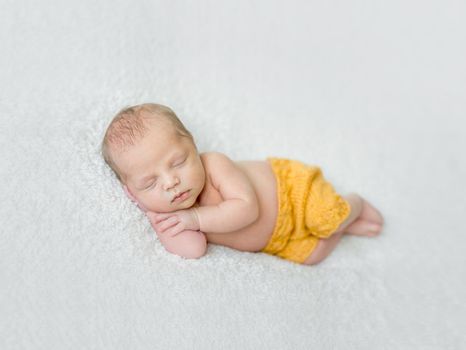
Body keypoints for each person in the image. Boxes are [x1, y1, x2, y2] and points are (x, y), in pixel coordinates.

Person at [101, 103, 384, 265]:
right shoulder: (168, 215)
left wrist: (196, 217)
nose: (171, 182)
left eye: (177, 162)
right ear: (132, 193)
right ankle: (344, 229)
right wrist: (154, 213)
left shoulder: (213, 165)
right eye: (149, 183)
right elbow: (194, 250)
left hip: (292, 191)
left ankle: (353, 204)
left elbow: (247, 208)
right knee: (312, 256)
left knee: (326, 216)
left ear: (193, 145)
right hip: (278, 239)